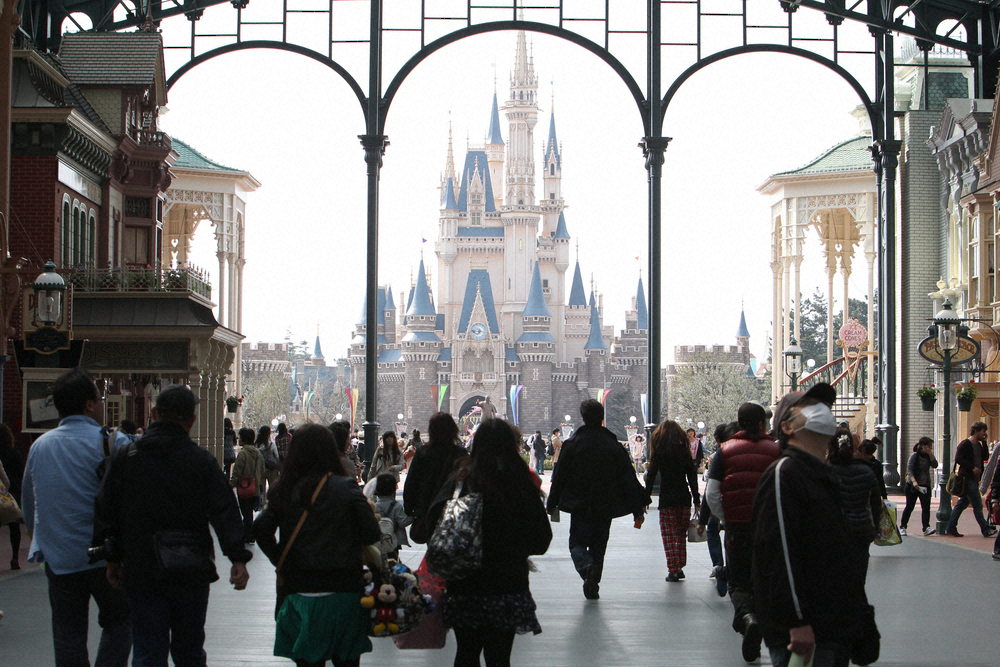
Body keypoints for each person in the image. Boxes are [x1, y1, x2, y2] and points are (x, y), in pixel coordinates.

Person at [94, 384, 251, 667]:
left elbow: (107, 509)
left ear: (153, 414)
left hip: (141, 568)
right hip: (190, 567)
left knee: (147, 651)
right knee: (189, 650)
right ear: (191, 419)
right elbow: (224, 509)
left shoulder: (128, 458)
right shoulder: (201, 461)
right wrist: (237, 557)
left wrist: (113, 558)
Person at [21, 368, 131, 667]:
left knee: (68, 633)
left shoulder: (39, 447)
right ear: (89, 405)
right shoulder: (113, 442)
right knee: (121, 621)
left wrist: (40, 538)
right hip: (107, 558)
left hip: (61, 560)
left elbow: (30, 503)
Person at [752, 384, 868, 667]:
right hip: (806, 629)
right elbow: (779, 552)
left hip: (831, 625)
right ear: (788, 427)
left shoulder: (823, 476)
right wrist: (796, 620)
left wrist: (860, 618)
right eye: (809, 406)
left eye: (823, 405)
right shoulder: (785, 473)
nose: (821, 411)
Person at [254, 423, 380, 667]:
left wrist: (281, 558)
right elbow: (371, 531)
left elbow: (260, 529)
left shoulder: (286, 488)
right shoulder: (345, 487)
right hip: (344, 592)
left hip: (300, 592)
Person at [434, 419, 552, 667]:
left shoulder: (461, 481)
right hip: (506, 583)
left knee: (466, 653)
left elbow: (435, 525)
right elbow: (542, 539)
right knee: (499, 658)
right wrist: (512, 549)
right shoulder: (520, 484)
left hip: (465, 583)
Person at [547, 399, 648, 600]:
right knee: (599, 545)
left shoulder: (573, 444)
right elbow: (628, 478)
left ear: (582, 418)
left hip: (580, 504)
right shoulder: (613, 445)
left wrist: (552, 503)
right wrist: (637, 507)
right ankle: (592, 583)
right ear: (602, 418)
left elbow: (559, 477)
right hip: (605, 504)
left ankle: (586, 568)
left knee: (576, 543)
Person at [706, 403, 780, 662]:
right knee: (764, 579)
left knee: (738, 582)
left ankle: (747, 618)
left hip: (737, 528)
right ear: (762, 424)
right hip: (768, 528)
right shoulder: (776, 450)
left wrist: (727, 518)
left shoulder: (723, 452)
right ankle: (756, 619)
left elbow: (712, 493)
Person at [644, 420, 700, 583]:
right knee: (681, 533)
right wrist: (696, 498)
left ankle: (673, 569)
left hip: (667, 497)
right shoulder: (684, 452)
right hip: (683, 497)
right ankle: (680, 565)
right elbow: (692, 475)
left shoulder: (660, 452)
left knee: (669, 534)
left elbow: (651, 474)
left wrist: (646, 497)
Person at [827, 428, 881, 584]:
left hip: (834, 532)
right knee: (858, 579)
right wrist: (873, 528)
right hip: (861, 530)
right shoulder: (866, 471)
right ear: (854, 448)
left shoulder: (825, 471)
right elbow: (875, 504)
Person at [403, 412, 468, 541]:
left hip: (429, 509)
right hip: (454, 510)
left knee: (433, 546)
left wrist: (410, 509)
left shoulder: (423, 452)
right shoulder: (460, 454)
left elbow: (412, 481)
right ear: (453, 430)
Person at [945, 421, 998, 538]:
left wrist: (984, 442)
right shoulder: (965, 444)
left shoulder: (979, 445)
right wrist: (972, 467)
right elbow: (958, 458)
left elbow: (984, 457)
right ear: (977, 431)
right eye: (983, 431)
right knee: (978, 505)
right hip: (967, 479)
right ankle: (986, 529)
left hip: (974, 479)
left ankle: (950, 527)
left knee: (961, 504)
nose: (984, 434)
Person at [230, 427, 266, 543]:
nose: (238, 439)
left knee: (246, 513)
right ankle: (249, 534)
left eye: (240, 437)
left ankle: (249, 535)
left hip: (244, 488)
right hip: (255, 488)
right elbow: (262, 470)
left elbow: (237, 472)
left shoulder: (243, 454)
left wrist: (231, 485)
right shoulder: (258, 453)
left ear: (244, 439)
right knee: (249, 512)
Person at [900, 437, 938, 537]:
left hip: (925, 485)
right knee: (910, 506)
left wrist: (930, 453)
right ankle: (903, 527)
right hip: (913, 486)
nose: (930, 448)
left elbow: (935, 465)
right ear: (922, 446)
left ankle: (926, 527)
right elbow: (910, 469)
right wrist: (914, 482)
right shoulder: (914, 456)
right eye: (929, 446)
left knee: (926, 507)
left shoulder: (929, 456)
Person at [372, 473, 412, 562]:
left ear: (377, 490)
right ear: (394, 490)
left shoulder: (374, 507)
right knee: (392, 562)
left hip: (378, 541)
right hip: (393, 542)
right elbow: (402, 522)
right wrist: (413, 516)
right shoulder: (396, 506)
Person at [0, 424, 24, 571]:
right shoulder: (14, 453)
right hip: (12, 493)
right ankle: (15, 558)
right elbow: (21, 472)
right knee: (14, 527)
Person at [258, 425, 281, 494]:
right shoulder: (271, 445)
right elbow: (276, 456)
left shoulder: (256, 445)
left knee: (261, 490)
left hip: (260, 469)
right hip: (271, 469)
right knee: (272, 489)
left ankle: (262, 503)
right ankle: (270, 503)